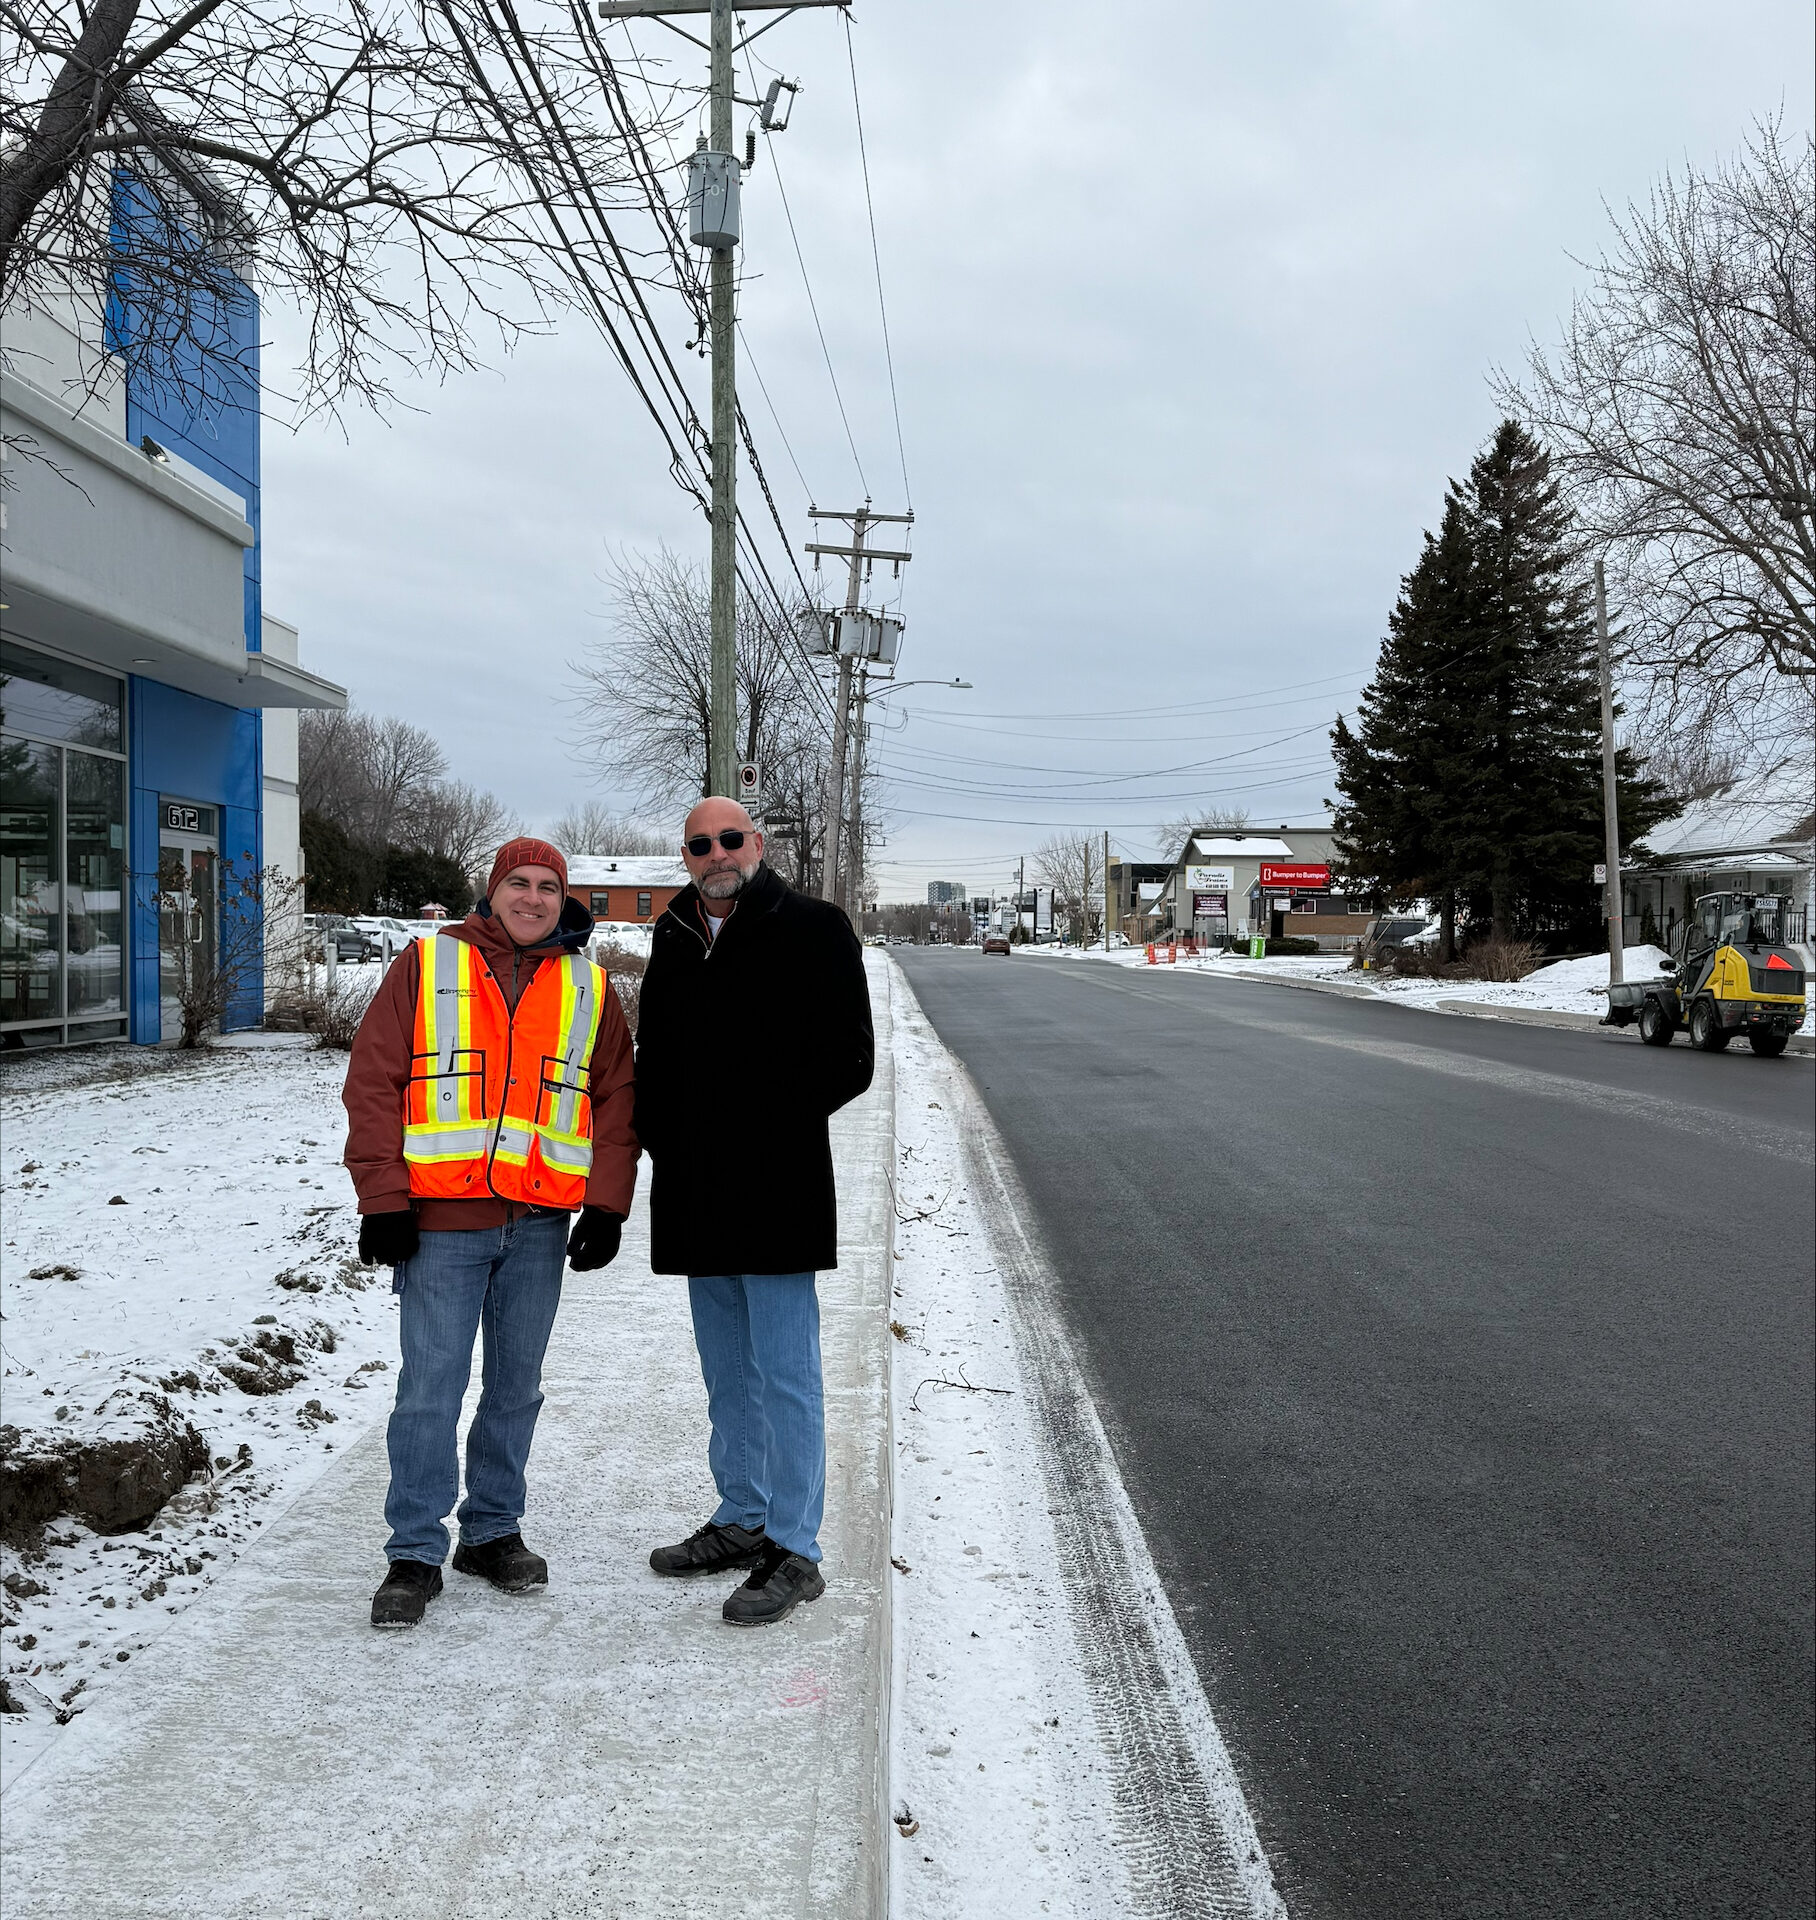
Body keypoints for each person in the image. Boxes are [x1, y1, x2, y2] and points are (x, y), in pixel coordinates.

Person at [342, 838, 638, 1628]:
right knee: (430, 1392)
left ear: (563, 899)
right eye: (519, 883)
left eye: (548, 886)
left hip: (539, 1225)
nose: (533, 898)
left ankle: (493, 1531)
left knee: (515, 1389)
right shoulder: (428, 966)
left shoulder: (589, 986)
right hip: (439, 1225)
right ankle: (412, 1551)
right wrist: (382, 1197)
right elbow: (373, 1079)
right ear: (491, 887)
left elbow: (616, 1102)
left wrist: (607, 1206)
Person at [634, 796, 874, 1625]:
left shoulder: (813, 924)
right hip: (696, 1191)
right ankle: (743, 1515)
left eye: (730, 839)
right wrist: (666, 1139)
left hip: (777, 1185)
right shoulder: (672, 935)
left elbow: (851, 1058)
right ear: (687, 855)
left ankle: (795, 1546)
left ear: (757, 845)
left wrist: (758, 1122)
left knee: (786, 1375)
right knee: (728, 1374)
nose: (716, 853)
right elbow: (654, 1057)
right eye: (700, 844)